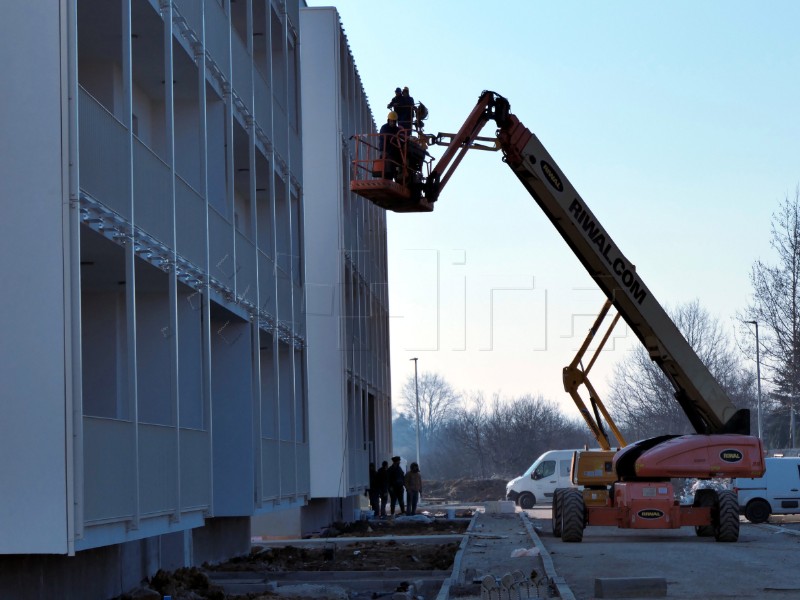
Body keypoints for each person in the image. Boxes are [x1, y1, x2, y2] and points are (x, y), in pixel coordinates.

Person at [378, 111, 400, 179]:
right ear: (388, 120)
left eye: (394, 121)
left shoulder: (397, 129)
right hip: (386, 150)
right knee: (387, 165)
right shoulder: (384, 128)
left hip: (394, 151)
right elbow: (383, 138)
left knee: (396, 163)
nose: (393, 123)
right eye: (391, 121)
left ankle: (397, 174)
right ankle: (387, 176)